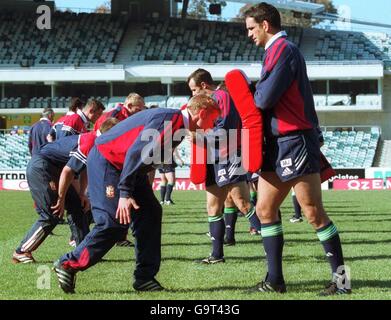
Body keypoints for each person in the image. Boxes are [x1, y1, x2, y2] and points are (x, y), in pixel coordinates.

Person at [52, 94, 220, 294]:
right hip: (109, 162)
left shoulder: (178, 124)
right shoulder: (170, 119)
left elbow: (144, 158)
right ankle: (67, 264)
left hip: (127, 168)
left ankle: (144, 278)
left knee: (150, 212)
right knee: (113, 223)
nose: (213, 125)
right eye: (213, 120)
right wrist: (124, 193)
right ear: (201, 114)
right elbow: (134, 153)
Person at [243, 2, 350, 295]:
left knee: (313, 212)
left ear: (266, 25)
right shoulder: (272, 52)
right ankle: (275, 280)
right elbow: (263, 96)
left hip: (295, 141)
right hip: (276, 143)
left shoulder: (284, 50)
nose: (249, 34)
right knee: (264, 209)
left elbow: (263, 100)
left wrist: (249, 92)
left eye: (251, 28)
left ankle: (342, 282)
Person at [11, 118, 118, 264]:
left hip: (52, 168)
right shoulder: (91, 142)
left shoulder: (94, 141)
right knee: (52, 213)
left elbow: (84, 168)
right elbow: (68, 171)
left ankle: (83, 252)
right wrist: (61, 199)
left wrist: (81, 194)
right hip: (42, 168)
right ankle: (21, 251)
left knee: (78, 206)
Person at [187, 69, 262, 264]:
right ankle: (217, 255)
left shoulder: (222, 96)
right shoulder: (206, 104)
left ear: (204, 85)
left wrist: (201, 137)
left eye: (194, 90)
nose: (193, 94)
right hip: (213, 157)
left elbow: (227, 128)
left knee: (242, 203)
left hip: (230, 155)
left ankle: (270, 241)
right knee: (212, 207)